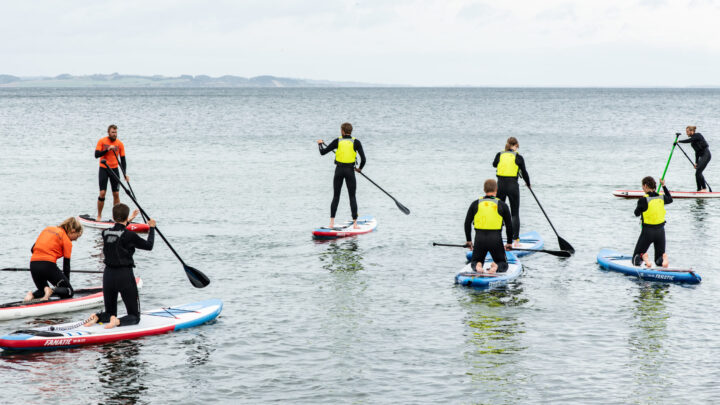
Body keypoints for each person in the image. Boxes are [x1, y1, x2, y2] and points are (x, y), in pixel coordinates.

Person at [84, 203, 155, 329]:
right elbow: (149, 246)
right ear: (126, 217)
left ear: (112, 216)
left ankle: (98, 317)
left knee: (110, 312)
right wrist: (152, 228)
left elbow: (117, 230)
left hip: (108, 276)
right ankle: (116, 322)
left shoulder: (105, 233)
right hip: (124, 276)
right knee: (134, 316)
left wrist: (128, 220)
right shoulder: (130, 235)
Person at [316, 122, 366, 229]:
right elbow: (364, 159)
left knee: (336, 196)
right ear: (350, 131)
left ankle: (331, 223)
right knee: (352, 197)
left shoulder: (337, 141)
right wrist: (359, 169)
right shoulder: (356, 142)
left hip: (339, 170)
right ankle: (355, 224)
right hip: (350, 171)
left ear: (342, 131)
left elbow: (323, 152)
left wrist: (320, 144)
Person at [24, 218, 84, 302]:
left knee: (42, 290)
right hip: (47, 265)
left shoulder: (48, 229)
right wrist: (66, 285)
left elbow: (32, 249)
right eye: (77, 236)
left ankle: (32, 295)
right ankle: (51, 290)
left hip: (33, 264)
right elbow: (66, 265)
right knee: (69, 291)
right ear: (73, 231)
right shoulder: (66, 241)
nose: (76, 239)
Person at [464, 179, 514, 274]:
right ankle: (495, 266)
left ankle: (478, 265)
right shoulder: (502, 205)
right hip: (495, 239)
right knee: (503, 264)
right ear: (496, 190)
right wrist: (509, 243)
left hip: (479, 239)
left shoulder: (475, 204)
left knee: (474, 262)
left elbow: (467, 223)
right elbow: (509, 225)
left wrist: (469, 241)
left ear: (484, 190)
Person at [492, 137, 530, 247]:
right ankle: (516, 241)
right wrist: (528, 183)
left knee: (499, 213)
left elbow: (494, 164)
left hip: (500, 186)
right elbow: (524, 172)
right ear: (516, 146)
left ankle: (496, 237)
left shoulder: (500, 154)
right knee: (514, 213)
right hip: (513, 186)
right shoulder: (518, 157)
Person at [632, 176, 673, 268]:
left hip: (648, 232)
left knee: (635, 258)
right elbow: (670, 199)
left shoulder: (643, 199)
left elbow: (636, 214)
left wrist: (641, 208)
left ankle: (645, 259)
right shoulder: (661, 197)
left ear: (646, 186)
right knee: (658, 260)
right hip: (661, 232)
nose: (642, 188)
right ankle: (663, 259)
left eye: (642, 186)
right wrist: (663, 185)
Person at [95, 124, 130, 221]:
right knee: (102, 193)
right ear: (108, 133)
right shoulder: (102, 141)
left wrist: (124, 174)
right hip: (104, 168)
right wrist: (107, 150)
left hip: (114, 169)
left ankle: (117, 218)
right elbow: (96, 155)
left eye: (116, 132)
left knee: (116, 194)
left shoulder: (120, 144)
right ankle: (99, 216)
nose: (115, 134)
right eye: (113, 132)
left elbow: (123, 160)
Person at [677, 125, 711, 192]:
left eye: (687, 131)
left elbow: (689, 140)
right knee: (697, 173)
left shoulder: (698, 135)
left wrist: (679, 141)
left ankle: (704, 188)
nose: (686, 133)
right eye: (686, 131)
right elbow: (697, 152)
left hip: (706, 154)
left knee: (698, 172)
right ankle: (699, 189)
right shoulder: (693, 142)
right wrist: (696, 162)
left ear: (692, 131)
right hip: (702, 156)